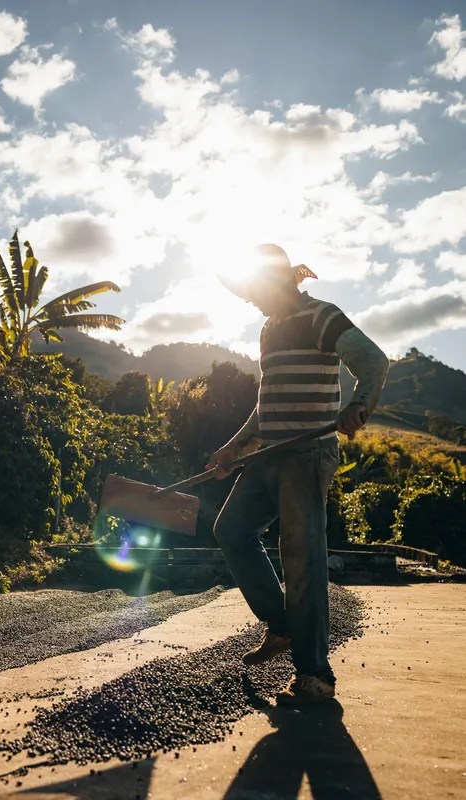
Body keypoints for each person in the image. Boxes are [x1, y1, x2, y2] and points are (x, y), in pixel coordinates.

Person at [207, 243, 388, 705]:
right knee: (231, 529)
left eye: (256, 291)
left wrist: (358, 406)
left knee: (301, 557)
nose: (252, 301)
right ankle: (282, 624)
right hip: (269, 452)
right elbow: (266, 404)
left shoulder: (321, 316)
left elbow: (373, 361)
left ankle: (315, 675)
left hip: (308, 454)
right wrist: (235, 447)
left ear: (280, 282)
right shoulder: (269, 329)